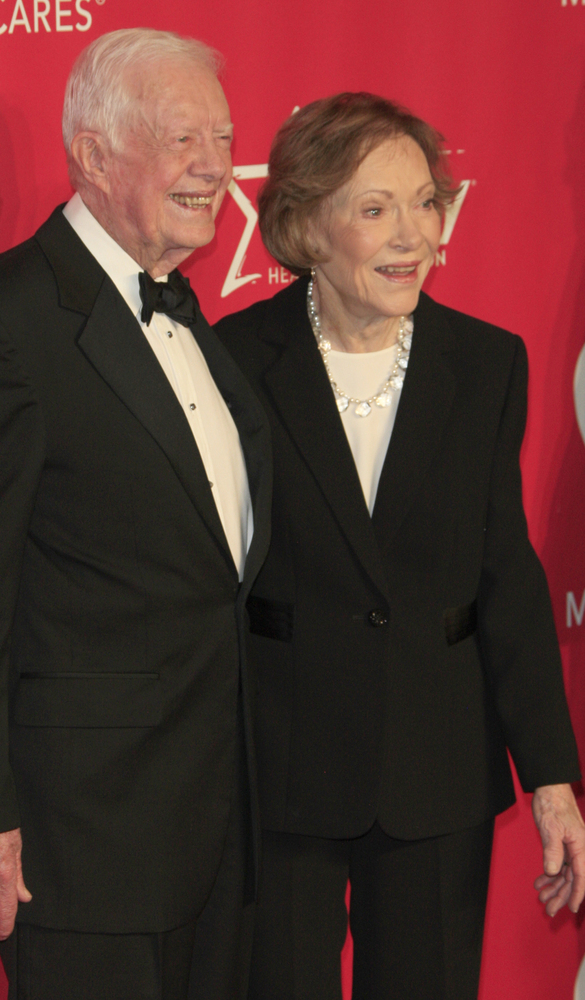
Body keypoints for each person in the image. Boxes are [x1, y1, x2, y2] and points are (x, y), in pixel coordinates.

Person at [0, 28, 271, 1000]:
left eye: (222, 135)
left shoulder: (189, 313)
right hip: (84, 844)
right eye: (181, 137)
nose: (213, 164)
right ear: (92, 152)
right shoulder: (2, 323)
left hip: (216, 831)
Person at [215, 91, 585, 1000]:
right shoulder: (230, 358)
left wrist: (551, 777)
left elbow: (505, 573)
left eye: (424, 202)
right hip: (283, 766)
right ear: (304, 225)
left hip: (436, 768)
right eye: (374, 209)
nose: (412, 233)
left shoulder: (487, 363)